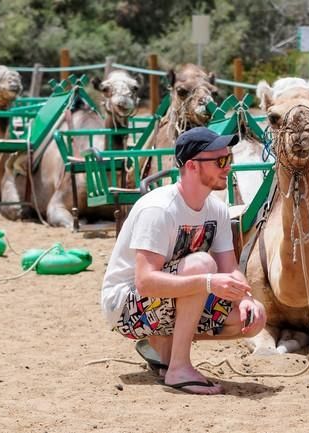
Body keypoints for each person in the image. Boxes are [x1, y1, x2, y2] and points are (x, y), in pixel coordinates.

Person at [101, 127, 267, 394]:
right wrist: (209, 282)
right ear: (192, 166)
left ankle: (162, 345)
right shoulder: (159, 209)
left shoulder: (217, 210)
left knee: (252, 318)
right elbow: (145, 282)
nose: (228, 167)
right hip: (126, 306)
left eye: (229, 159)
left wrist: (245, 298)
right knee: (201, 265)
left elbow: (230, 268)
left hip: (168, 301)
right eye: (220, 161)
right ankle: (178, 368)